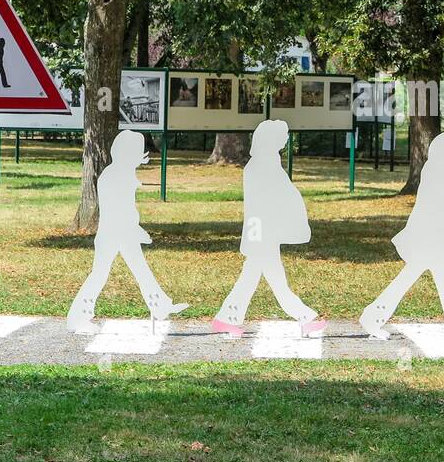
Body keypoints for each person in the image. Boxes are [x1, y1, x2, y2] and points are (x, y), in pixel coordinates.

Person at [359, 130, 444, 340]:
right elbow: (434, 217)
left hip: (432, 241)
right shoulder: (434, 174)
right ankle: (372, 318)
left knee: (443, 283)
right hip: (429, 242)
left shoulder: (436, 172)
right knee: (413, 282)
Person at [211, 119, 328, 338]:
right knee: (274, 280)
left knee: (254, 278)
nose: (285, 139)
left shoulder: (264, 163)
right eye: (282, 135)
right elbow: (271, 199)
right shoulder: (263, 165)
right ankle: (306, 318)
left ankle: (226, 319)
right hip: (263, 231)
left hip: (264, 231)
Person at [66, 130, 185, 333]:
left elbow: (127, 209)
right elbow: (118, 209)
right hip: (112, 234)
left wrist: (134, 229)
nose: (140, 160)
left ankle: (160, 306)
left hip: (122, 232)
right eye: (137, 154)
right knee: (100, 274)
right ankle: (78, 317)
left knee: (141, 270)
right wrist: (135, 229)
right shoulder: (114, 176)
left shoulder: (122, 173)